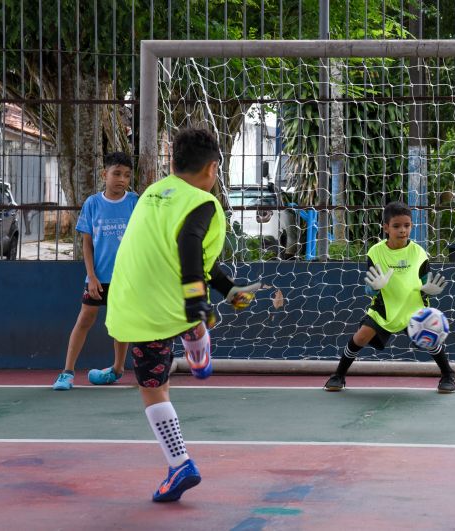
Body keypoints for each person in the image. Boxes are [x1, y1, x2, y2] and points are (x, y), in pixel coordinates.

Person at [105, 127, 260, 502]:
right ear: (212, 169)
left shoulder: (151, 194)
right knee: (190, 307)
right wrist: (200, 301)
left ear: (172, 163)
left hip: (135, 307)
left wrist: (224, 288)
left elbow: (185, 254)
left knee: (153, 388)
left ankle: (180, 463)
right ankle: (196, 336)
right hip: (175, 303)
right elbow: (191, 248)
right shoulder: (204, 204)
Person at [324, 201, 455, 393]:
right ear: (386, 228)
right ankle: (338, 375)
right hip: (384, 308)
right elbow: (369, 286)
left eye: (407, 225)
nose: (402, 230)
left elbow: (426, 279)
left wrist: (428, 289)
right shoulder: (375, 252)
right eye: (396, 226)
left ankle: (448, 375)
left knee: (432, 339)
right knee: (360, 336)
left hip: (413, 308)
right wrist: (374, 288)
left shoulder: (418, 252)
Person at [52, 152, 138, 391]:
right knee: (85, 319)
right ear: (105, 174)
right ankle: (67, 372)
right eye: (117, 173)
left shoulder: (135, 202)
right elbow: (87, 243)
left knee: (121, 326)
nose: (122, 179)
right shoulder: (93, 203)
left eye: (127, 175)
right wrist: (91, 275)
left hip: (127, 279)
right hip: (98, 278)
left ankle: (117, 369)